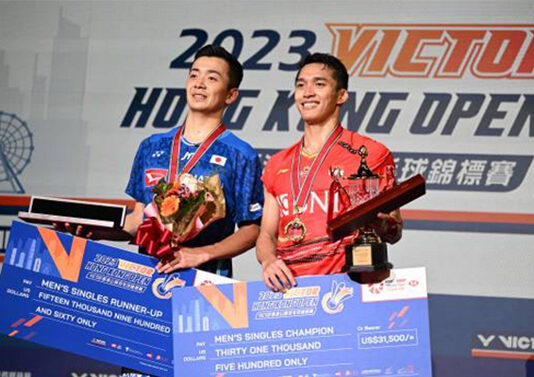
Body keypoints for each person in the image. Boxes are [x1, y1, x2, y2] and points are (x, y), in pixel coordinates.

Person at [59, 45, 264, 377]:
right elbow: (141, 221)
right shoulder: (152, 146)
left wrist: (201, 254)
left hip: (205, 286)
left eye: (211, 78)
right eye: (194, 75)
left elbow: (252, 229)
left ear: (230, 95)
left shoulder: (240, 154)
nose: (199, 83)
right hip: (146, 285)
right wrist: (93, 231)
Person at [256, 53, 402, 293]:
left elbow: (394, 230)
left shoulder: (370, 154)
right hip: (289, 292)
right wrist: (269, 261)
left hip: (347, 288)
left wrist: (381, 225)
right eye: (301, 85)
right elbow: (266, 235)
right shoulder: (276, 164)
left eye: (319, 84)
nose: (308, 92)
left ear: (341, 95)